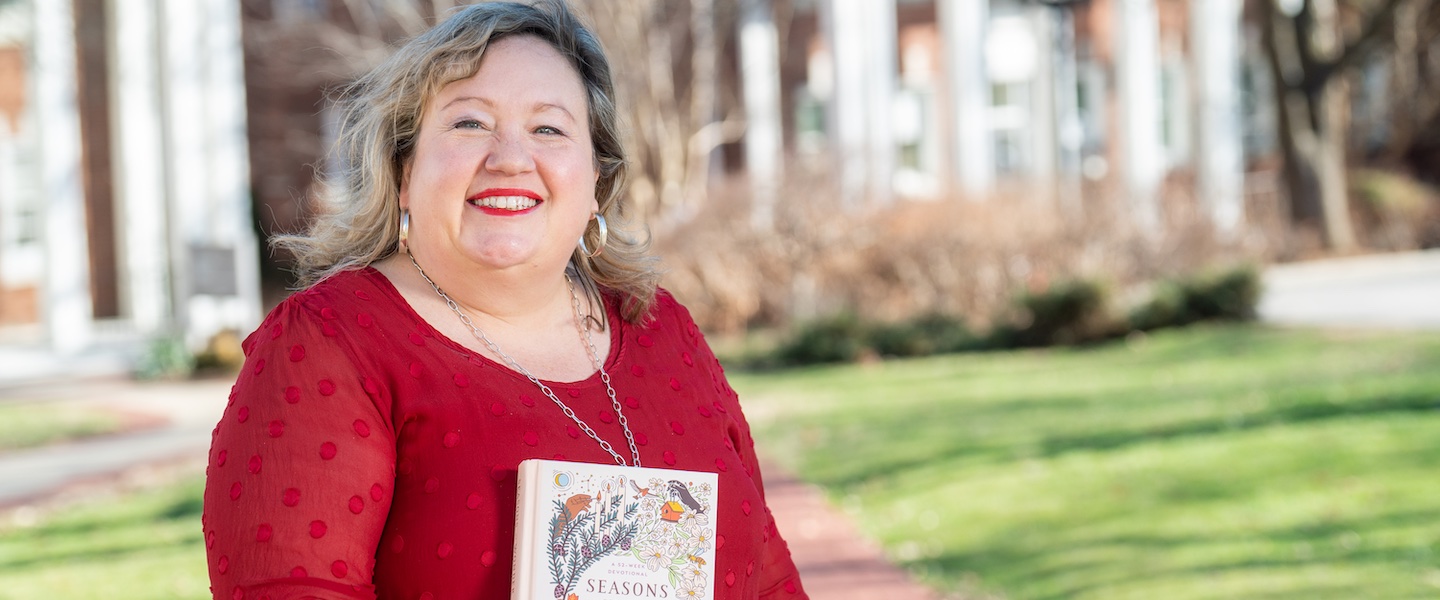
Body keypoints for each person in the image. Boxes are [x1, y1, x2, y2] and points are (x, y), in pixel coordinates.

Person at [201, 1, 809, 599]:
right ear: (404, 171)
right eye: (470, 123)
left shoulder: (659, 326)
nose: (511, 159)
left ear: (596, 180)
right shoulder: (329, 343)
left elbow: (770, 580)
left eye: (548, 128)